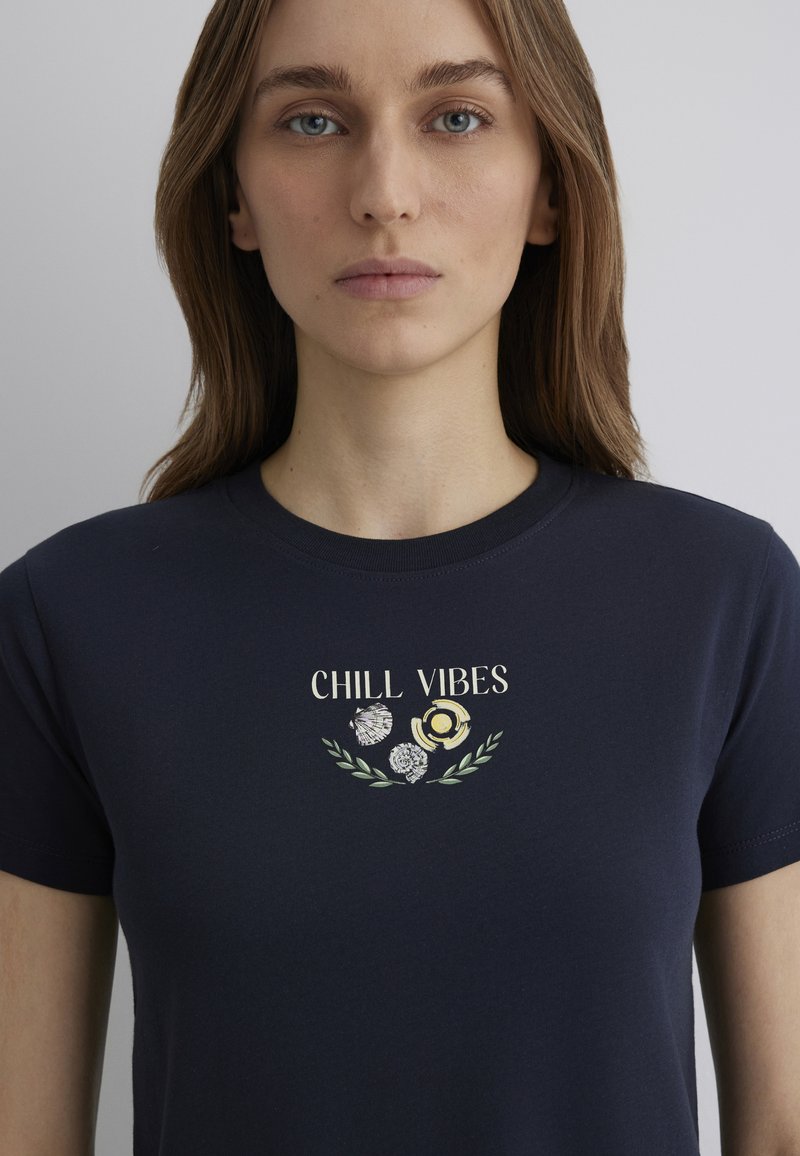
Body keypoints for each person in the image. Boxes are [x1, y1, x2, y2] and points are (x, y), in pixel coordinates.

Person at [1, 0, 798, 1152]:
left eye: (455, 117)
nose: (383, 192)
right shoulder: (70, 619)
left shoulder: (724, 598)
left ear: (550, 189)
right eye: (312, 121)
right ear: (232, 197)